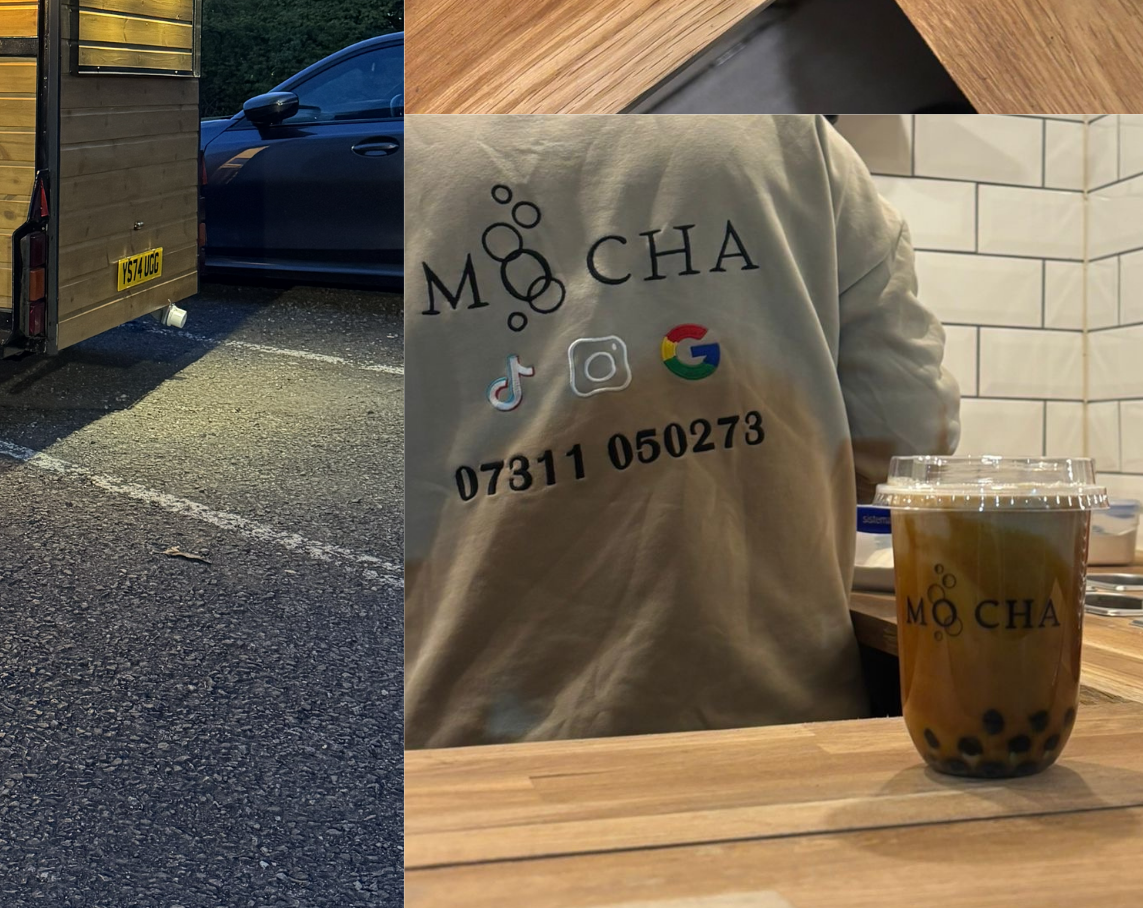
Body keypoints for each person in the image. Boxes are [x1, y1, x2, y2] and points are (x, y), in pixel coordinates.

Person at [404, 115, 959, 748]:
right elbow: (910, 442)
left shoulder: (406, 158)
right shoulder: (788, 137)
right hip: (774, 736)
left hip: (456, 758)